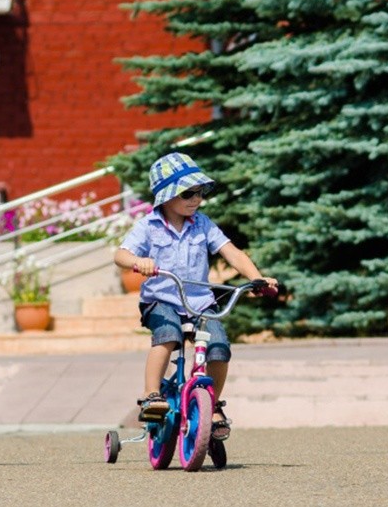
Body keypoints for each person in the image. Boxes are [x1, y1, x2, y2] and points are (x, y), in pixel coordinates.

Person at [114, 152, 277, 440]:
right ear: (166, 196)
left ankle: (212, 406)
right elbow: (120, 254)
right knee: (167, 335)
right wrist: (139, 262)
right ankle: (152, 394)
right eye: (187, 192)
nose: (195, 199)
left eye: (200, 192)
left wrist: (256, 278)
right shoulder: (148, 226)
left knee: (219, 348)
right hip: (161, 300)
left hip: (200, 303)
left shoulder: (202, 224)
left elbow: (232, 252)